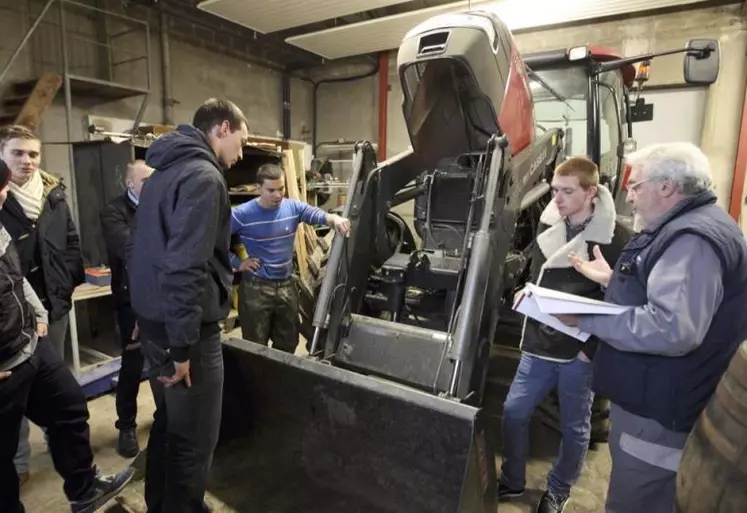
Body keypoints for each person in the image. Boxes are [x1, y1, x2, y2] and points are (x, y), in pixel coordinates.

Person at [558, 142, 747, 513]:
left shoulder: (692, 239)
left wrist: (586, 318)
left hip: (660, 406)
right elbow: (663, 294)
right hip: (654, 397)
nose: (628, 197)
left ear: (666, 187)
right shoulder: (685, 227)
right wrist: (614, 280)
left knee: (637, 500)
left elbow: (671, 328)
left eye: (635, 186)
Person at [127, 98, 249, 513]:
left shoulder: (164, 172)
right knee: (194, 441)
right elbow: (183, 265)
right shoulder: (203, 177)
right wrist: (181, 346)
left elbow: (143, 249)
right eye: (241, 142)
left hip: (158, 321)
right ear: (223, 128)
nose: (241, 154)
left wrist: (147, 315)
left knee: (168, 425)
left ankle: (162, 505)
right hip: (188, 334)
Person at [0, 158, 134, 513]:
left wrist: (38, 311)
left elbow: (13, 273)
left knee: (69, 406)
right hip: (2, 366)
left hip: (29, 344)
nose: (2, 199)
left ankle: (84, 490)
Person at [497, 156, 631, 513]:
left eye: (567, 192)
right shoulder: (548, 225)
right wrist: (527, 290)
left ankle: (558, 489)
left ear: (591, 192)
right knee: (513, 411)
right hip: (539, 342)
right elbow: (539, 275)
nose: (556, 199)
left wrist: (592, 348)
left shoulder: (616, 238)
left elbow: (623, 304)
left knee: (574, 427)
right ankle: (512, 479)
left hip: (579, 350)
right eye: (555, 190)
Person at [0, 124, 85, 485]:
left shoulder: (54, 193)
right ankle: (18, 460)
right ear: (2, 155)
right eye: (17, 152)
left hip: (51, 301)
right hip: (9, 313)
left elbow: (70, 242)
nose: (27, 160)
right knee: (14, 390)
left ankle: (58, 442)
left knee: (55, 378)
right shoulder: (2, 196)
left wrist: (64, 290)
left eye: (33, 153)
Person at [231, 162, 350, 353]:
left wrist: (333, 219)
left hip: (286, 286)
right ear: (258, 188)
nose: (278, 195)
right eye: (271, 190)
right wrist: (237, 263)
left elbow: (314, 213)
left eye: (281, 189)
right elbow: (212, 241)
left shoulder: (292, 207)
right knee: (254, 346)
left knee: (288, 343)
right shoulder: (242, 214)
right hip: (256, 289)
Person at [100, 159, 153, 458]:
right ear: (130, 184)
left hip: (159, 296)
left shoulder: (161, 207)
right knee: (132, 365)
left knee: (165, 362)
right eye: (145, 180)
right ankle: (126, 426)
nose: (151, 186)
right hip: (130, 299)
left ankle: (165, 419)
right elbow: (130, 247)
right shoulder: (113, 212)